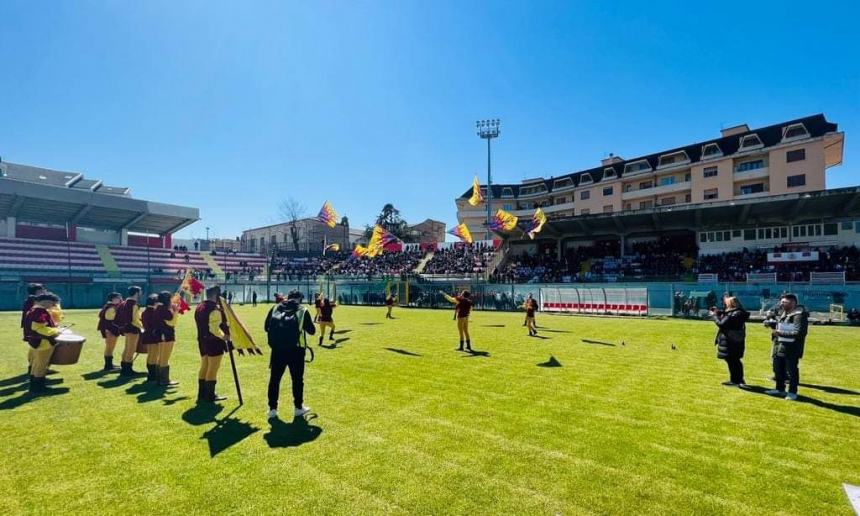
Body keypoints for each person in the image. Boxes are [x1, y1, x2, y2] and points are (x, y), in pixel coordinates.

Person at [264, 290, 315, 419]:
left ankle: (272, 409)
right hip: (296, 350)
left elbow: (266, 327)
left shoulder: (275, 308)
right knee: (297, 379)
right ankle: (298, 407)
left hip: (277, 350)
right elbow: (312, 331)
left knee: (275, 379)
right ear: (299, 299)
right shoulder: (303, 310)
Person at [764, 293, 809, 401]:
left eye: (784, 302)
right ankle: (779, 389)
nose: (781, 304)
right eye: (781, 301)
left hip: (792, 348)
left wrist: (780, 333)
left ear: (793, 303)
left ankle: (792, 392)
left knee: (791, 371)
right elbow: (783, 326)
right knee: (778, 369)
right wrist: (771, 324)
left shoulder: (799, 315)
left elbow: (799, 332)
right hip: (779, 346)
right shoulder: (785, 313)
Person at [195, 286, 229, 403]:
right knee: (213, 368)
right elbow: (214, 329)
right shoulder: (214, 309)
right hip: (213, 342)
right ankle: (210, 395)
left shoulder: (199, 307)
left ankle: (201, 393)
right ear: (216, 296)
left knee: (204, 366)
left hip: (202, 340)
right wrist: (225, 336)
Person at [23, 293, 62, 394]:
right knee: (41, 365)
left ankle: (34, 387)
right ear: (46, 302)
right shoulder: (40, 312)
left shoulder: (33, 310)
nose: (53, 307)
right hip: (42, 343)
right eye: (52, 304)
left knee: (36, 364)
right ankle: (39, 389)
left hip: (36, 342)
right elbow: (39, 328)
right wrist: (56, 331)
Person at [710, 296, 749, 388]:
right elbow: (727, 317)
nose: (725, 304)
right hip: (734, 339)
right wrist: (718, 312)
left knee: (733, 360)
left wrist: (714, 316)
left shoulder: (735, 314)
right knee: (732, 360)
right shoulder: (737, 313)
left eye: (726, 303)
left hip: (731, 340)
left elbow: (722, 324)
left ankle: (738, 380)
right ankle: (735, 379)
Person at [115, 286, 144, 377]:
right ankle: (127, 370)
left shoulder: (124, 303)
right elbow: (134, 319)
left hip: (126, 328)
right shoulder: (133, 303)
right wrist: (143, 327)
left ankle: (124, 368)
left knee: (127, 348)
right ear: (136, 293)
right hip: (132, 329)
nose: (141, 292)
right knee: (131, 349)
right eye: (140, 291)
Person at [155, 291, 179, 387]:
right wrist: (176, 311)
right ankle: (164, 380)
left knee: (160, 357)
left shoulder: (158, 308)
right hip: (166, 335)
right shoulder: (165, 310)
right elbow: (172, 323)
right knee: (165, 358)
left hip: (160, 334)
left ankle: (159, 379)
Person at [21, 283, 46, 374]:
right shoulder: (33, 300)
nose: (43, 292)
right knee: (37, 347)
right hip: (33, 328)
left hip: (31, 327)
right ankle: (36, 369)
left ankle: (33, 367)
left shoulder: (31, 300)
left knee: (34, 347)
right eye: (41, 290)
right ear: (36, 292)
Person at [97, 292, 123, 371]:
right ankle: (108, 366)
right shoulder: (111, 308)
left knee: (110, 348)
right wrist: (118, 328)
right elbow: (109, 321)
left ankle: (109, 364)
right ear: (113, 299)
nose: (120, 300)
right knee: (109, 348)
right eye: (118, 298)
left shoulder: (109, 306)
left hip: (108, 330)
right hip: (110, 330)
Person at [141, 294, 162, 383]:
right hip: (153, 336)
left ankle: (151, 374)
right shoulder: (153, 312)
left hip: (147, 335)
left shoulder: (145, 311)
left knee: (151, 355)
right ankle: (152, 375)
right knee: (153, 355)